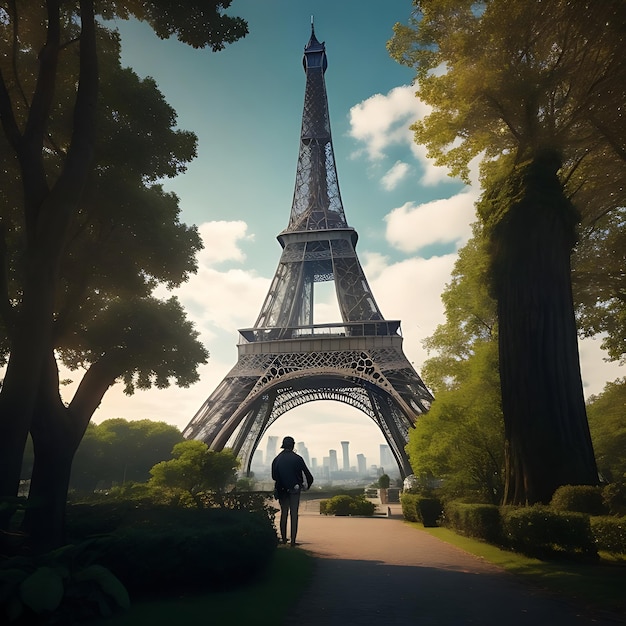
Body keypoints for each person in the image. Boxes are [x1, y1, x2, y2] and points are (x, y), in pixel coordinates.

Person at [271, 436, 314, 547]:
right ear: (293, 445)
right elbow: (309, 476)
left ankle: (284, 539)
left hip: (281, 490)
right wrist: (306, 486)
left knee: (284, 513)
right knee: (294, 514)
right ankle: (293, 541)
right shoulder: (298, 459)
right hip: (294, 490)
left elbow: (274, 476)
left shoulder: (277, 459)